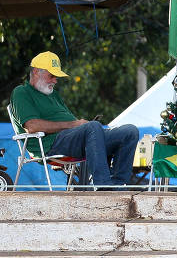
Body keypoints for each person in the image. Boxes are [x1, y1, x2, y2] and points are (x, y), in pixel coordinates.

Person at [9, 52, 138, 189]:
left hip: (75, 139)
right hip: (50, 144)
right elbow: (32, 126)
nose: (55, 80)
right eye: (51, 75)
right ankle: (103, 186)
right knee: (93, 127)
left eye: (56, 77)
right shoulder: (21, 92)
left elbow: (75, 124)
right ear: (35, 72)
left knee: (129, 131)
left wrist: (82, 126)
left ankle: (118, 185)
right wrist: (77, 125)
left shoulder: (53, 95)